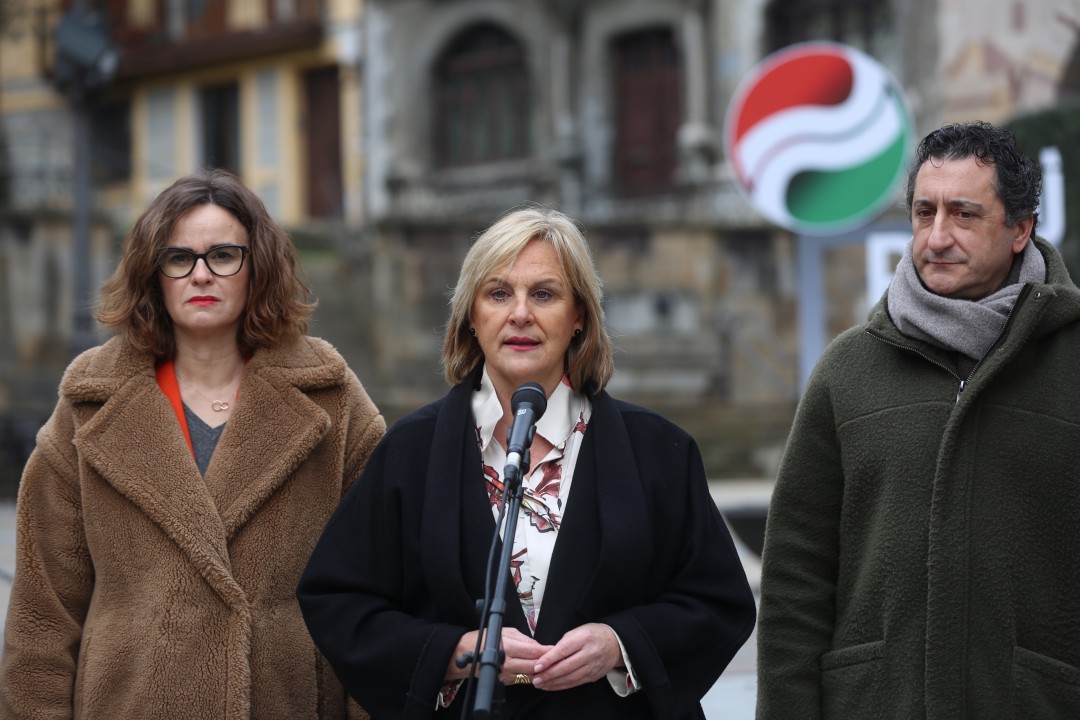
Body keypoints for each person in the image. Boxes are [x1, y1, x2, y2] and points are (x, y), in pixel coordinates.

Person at [297, 206, 756, 719]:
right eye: (498, 294)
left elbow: (718, 601)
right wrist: (455, 653)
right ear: (471, 317)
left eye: (544, 294)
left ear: (579, 316)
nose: (520, 314)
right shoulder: (410, 452)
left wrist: (620, 644)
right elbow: (338, 601)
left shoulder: (658, 449)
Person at [0, 169, 386, 719]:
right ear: (152, 273)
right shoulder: (89, 404)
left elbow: (376, 591)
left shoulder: (331, 397)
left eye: (223, 255)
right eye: (178, 258)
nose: (200, 274)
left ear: (257, 267)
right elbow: (43, 615)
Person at [756, 120, 1080, 719]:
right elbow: (795, 578)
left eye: (964, 214)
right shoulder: (847, 370)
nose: (937, 237)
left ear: (1021, 229)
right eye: (924, 213)